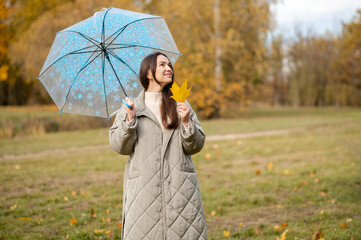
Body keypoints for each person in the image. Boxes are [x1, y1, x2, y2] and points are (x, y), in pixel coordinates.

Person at [109, 52, 208, 239]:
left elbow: (196, 146)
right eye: (162, 65)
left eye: (169, 65)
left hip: (181, 188)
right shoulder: (130, 107)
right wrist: (129, 120)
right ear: (148, 73)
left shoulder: (180, 104)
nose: (168, 68)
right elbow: (119, 147)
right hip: (143, 191)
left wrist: (187, 122)